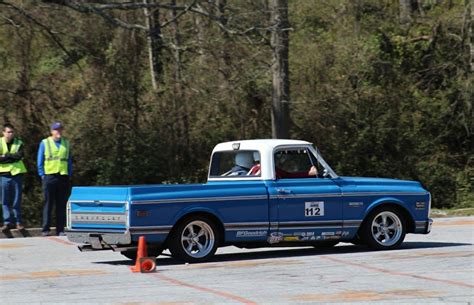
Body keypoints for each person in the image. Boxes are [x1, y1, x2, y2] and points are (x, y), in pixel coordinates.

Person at [37, 122, 72, 236]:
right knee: (48, 203)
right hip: (49, 176)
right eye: (56, 130)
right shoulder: (45, 143)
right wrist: (42, 174)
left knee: (61, 204)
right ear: (52, 131)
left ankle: (60, 229)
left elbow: (69, 160)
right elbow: (40, 160)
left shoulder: (66, 143)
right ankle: (46, 229)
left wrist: (69, 174)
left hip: (63, 176)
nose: (59, 132)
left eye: (60, 129)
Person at [0, 123, 27, 231]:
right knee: (4, 200)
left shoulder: (19, 143)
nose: (10, 134)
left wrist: (5, 156)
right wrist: (12, 157)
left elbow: (19, 156)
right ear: (3, 132)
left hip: (17, 174)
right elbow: (14, 157)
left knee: (17, 200)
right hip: (4, 175)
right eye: (8, 132)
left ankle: (18, 222)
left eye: (12, 132)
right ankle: (7, 222)